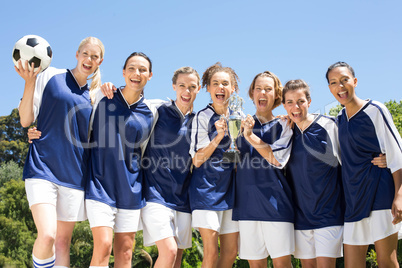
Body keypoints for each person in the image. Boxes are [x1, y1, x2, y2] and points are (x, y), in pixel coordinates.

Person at [16, 36, 104, 268]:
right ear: (77, 54)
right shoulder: (49, 75)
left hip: (74, 177)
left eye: (94, 56)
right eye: (85, 53)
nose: (89, 59)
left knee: (63, 244)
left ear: (100, 62)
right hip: (42, 168)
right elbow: (26, 119)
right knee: (47, 236)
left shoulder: (96, 97)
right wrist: (29, 81)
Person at [85, 52, 157, 268]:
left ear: (150, 76)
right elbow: (80, 128)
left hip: (131, 190)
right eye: (132, 68)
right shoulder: (102, 96)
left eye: (143, 70)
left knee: (125, 253)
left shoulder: (151, 112)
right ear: (124, 72)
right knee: (104, 245)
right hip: (99, 185)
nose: (137, 73)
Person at [326, 61, 402, 268]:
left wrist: (399, 195)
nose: (340, 87)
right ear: (330, 88)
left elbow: (397, 152)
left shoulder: (376, 110)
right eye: (334, 83)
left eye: (344, 80)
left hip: (380, 196)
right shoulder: (338, 120)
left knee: (387, 261)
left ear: (355, 81)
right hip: (353, 201)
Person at [141, 66, 201, 268]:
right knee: (169, 251)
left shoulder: (199, 121)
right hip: (155, 195)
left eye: (192, 87)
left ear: (198, 89)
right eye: (182, 85)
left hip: (183, 200)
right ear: (174, 86)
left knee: (176, 260)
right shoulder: (157, 109)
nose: (187, 91)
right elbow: (128, 105)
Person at [233, 71, 294, 268]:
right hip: (247, 207)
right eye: (258, 88)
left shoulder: (285, 124)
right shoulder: (238, 125)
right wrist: (228, 143)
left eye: (268, 89)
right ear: (251, 93)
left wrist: (249, 135)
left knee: (282, 264)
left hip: (276, 206)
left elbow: (276, 159)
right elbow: (232, 163)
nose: (262, 92)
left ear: (277, 95)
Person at [189, 62, 240, 268]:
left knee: (230, 253)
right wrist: (218, 137)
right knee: (210, 253)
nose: (220, 87)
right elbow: (197, 159)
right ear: (208, 88)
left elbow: (234, 158)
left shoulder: (239, 117)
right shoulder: (203, 116)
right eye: (215, 83)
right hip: (206, 191)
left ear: (233, 88)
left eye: (225, 83)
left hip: (230, 192)